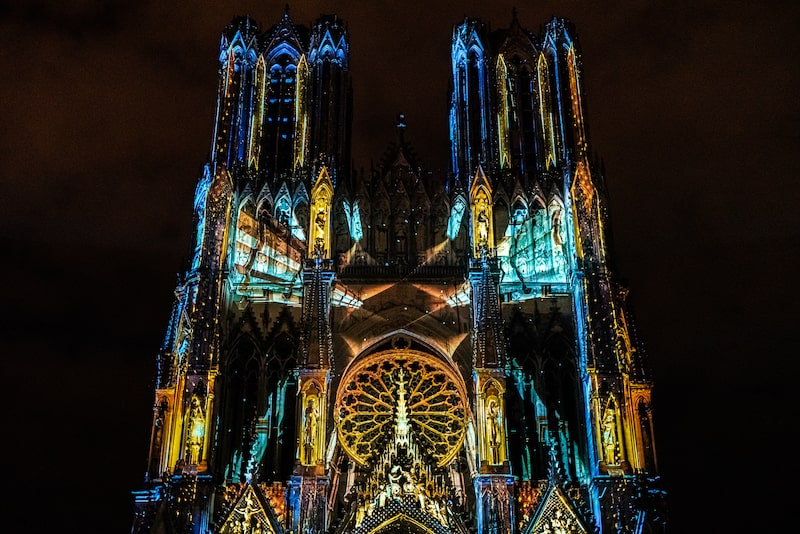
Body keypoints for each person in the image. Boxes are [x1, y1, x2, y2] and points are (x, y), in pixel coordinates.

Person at [303, 399, 319, 464]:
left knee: (312, 439)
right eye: (310, 403)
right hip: (308, 426)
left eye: (312, 403)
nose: (311, 405)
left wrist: (314, 413)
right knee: (307, 440)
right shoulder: (307, 410)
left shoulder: (315, 410)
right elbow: (305, 417)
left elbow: (317, 416)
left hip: (313, 426)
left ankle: (313, 459)